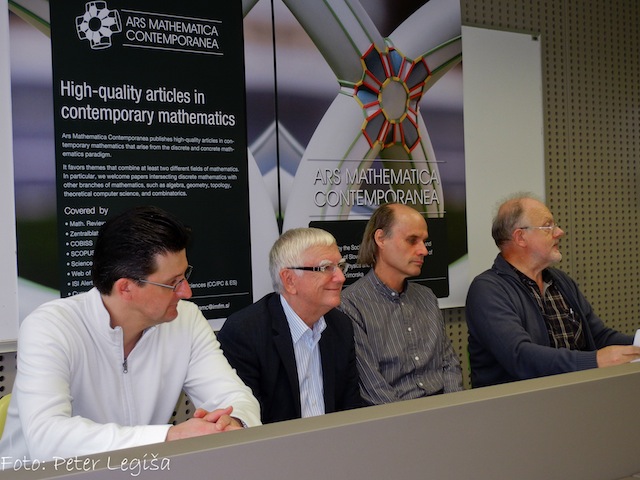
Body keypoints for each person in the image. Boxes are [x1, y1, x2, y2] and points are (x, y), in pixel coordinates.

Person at [0, 206, 260, 462]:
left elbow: (234, 397)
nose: (186, 292)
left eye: (185, 276)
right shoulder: (50, 327)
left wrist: (232, 422)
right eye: (172, 283)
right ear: (125, 288)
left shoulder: (186, 320)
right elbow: (47, 440)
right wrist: (168, 437)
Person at [466, 194, 640, 387]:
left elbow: (599, 337)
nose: (559, 232)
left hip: (576, 394)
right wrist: (595, 361)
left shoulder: (561, 282)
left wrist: (637, 343)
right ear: (521, 237)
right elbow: (520, 356)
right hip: (518, 402)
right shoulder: (488, 290)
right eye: (548, 226)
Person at [217, 227, 362, 424]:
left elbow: (350, 408)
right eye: (326, 268)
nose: (341, 278)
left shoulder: (340, 326)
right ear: (289, 280)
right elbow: (247, 418)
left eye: (340, 266)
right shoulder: (245, 332)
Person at [339, 203, 463, 405]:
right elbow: (373, 388)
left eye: (424, 241)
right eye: (412, 240)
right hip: (394, 419)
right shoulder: (351, 305)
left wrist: (454, 408)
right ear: (381, 239)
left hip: (444, 411)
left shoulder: (427, 297)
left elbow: (449, 363)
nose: (424, 250)